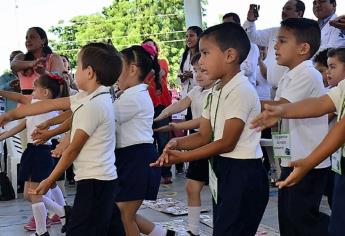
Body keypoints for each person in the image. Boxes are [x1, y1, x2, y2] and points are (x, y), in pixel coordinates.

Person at [151, 22, 269, 236]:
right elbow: (204, 135)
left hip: (243, 173)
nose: (200, 60)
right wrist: (178, 143)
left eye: (205, 53)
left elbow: (226, 142)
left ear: (230, 55)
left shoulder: (241, 90)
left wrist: (183, 158)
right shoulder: (214, 91)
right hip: (223, 168)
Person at [0, 42, 123, 236]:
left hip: (95, 183)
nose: (73, 72)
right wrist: (9, 116)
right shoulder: (88, 97)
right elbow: (48, 105)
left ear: (89, 72)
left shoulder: (94, 105)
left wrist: (49, 180)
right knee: (110, 229)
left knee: (79, 230)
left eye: (78, 66)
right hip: (100, 181)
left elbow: (72, 149)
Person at [258, 18, 330, 236]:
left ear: (303, 48)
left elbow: (280, 107)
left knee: (302, 218)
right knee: (289, 217)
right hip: (292, 157)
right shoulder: (289, 75)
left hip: (308, 161)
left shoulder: (308, 74)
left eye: (282, 40)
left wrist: (242, 100)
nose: (275, 46)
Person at [250, 78, 345, 236]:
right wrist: (282, 111)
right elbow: (322, 103)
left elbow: (341, 128)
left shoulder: (307, 74)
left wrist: (309, 162)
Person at [113, 44, 176, 236]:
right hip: (132, 158)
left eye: (118, 68)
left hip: (137, 159)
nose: (115, 74)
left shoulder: (132, 98)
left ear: (132, 69)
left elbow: (101, 119)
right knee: (123, 212)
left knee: (124, 214)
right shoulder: (130, 95)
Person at [0, 73, 69, 236]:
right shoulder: (40, 109)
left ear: (45, 93)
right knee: (29, 194)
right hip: (33, 151)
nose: (31, 93)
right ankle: (63, 211)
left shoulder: (42, 105)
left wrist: (1, 92)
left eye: (35, 89)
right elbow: (23, 125)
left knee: (35, 193)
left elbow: (19, 97)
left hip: (41, 151)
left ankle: (42, 230)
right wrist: (3, 136)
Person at [154, 53, 214, 236]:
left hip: (212, 143)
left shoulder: (216, 92)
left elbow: (203, 122)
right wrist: (159, 116)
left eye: (203, 71)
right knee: (192, 186)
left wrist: (175, 126)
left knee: (217, 190)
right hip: (197, 142)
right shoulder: (196, 90)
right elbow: (179, 105)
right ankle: (193, 230)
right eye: (196, 70)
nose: (198, 75)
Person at [243, 0, 305, 89]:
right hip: (273, 89)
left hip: (293, 89)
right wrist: (250, 21)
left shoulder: (305, 34)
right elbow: (252, 37)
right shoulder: (274, 31)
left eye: (288, 9)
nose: (284, 12)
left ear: (299, 13)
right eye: (283, 9)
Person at [142, 39, 174, 184]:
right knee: (149, 140)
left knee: (163, 140)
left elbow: (160, 73)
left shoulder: (162, 62)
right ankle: (153, 172)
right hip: (147, 106)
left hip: (162, 106)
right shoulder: (141, 67)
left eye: (151, 45)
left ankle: (166, 173)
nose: (149, 47)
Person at [10, 27, 65, 95]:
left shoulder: (54, 58)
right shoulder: (21, 57)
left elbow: (57, 79)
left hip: (46, 104)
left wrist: (43, 73)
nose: (28, 40)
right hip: (25, 103)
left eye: (32, 37)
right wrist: (33, 63)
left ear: (43, 40)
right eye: (26, 38)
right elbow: (13, 65)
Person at [223, 12, 260, 87]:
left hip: (245, 89)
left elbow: (249, 69)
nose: (226, 28)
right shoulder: (223, 45)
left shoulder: (251, 45)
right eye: (224, 25)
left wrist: (226, 66)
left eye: (229, 24)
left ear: (238, 25)